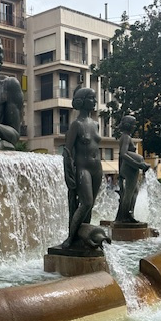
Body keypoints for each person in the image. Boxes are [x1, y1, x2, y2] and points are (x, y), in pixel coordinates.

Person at [61, 87, 103, 248]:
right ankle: (70, 238)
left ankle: (83, 237)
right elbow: (67, 151)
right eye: (91, 98)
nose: (95, 101)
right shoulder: (76, 125)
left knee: (90, 206)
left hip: (97, 168)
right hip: (82, 169)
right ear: (81, 101)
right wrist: (68, 174)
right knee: (86, 202)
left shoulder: (96, 124)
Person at [114, 115, 150, 223]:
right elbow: (123, 154)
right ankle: (125, 217)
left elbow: (121, 157)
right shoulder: (126, 137)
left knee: (134, 192)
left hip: (127, 167)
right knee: (129, 193)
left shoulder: (125, 137)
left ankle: (128, 214)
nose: (135, 127)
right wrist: (138, 164)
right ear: (128, 125)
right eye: (133, 124)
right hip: (130, 168)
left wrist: (120, 173)